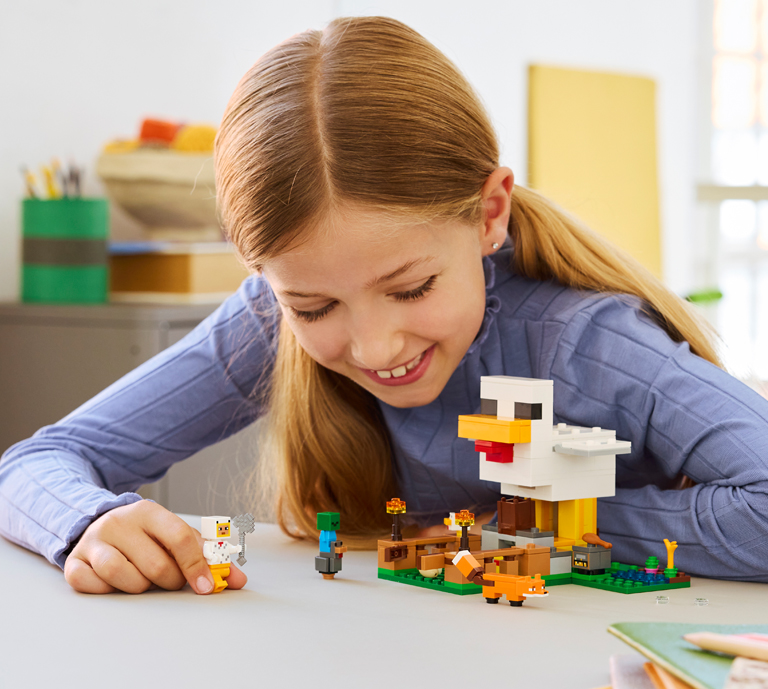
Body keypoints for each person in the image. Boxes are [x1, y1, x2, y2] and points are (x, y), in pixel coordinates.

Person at [1, 16, 767, 595]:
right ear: (264, 277)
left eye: (411, 289)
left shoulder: (588, 343)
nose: (372, 347)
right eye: (313, 305)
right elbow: (34, 463)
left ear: (489, 213)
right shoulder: (267, 324)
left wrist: (535, 526)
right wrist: (88, 522)